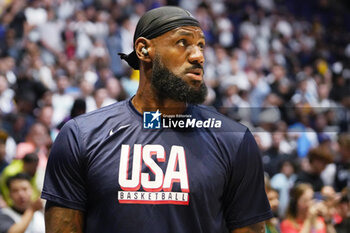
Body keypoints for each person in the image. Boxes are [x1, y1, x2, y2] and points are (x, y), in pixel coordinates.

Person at [42, 6, 272, 233]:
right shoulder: (81, 136)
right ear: (143, 50)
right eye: (183, 43)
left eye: (201, 45)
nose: (198, 56)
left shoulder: (234, 140)